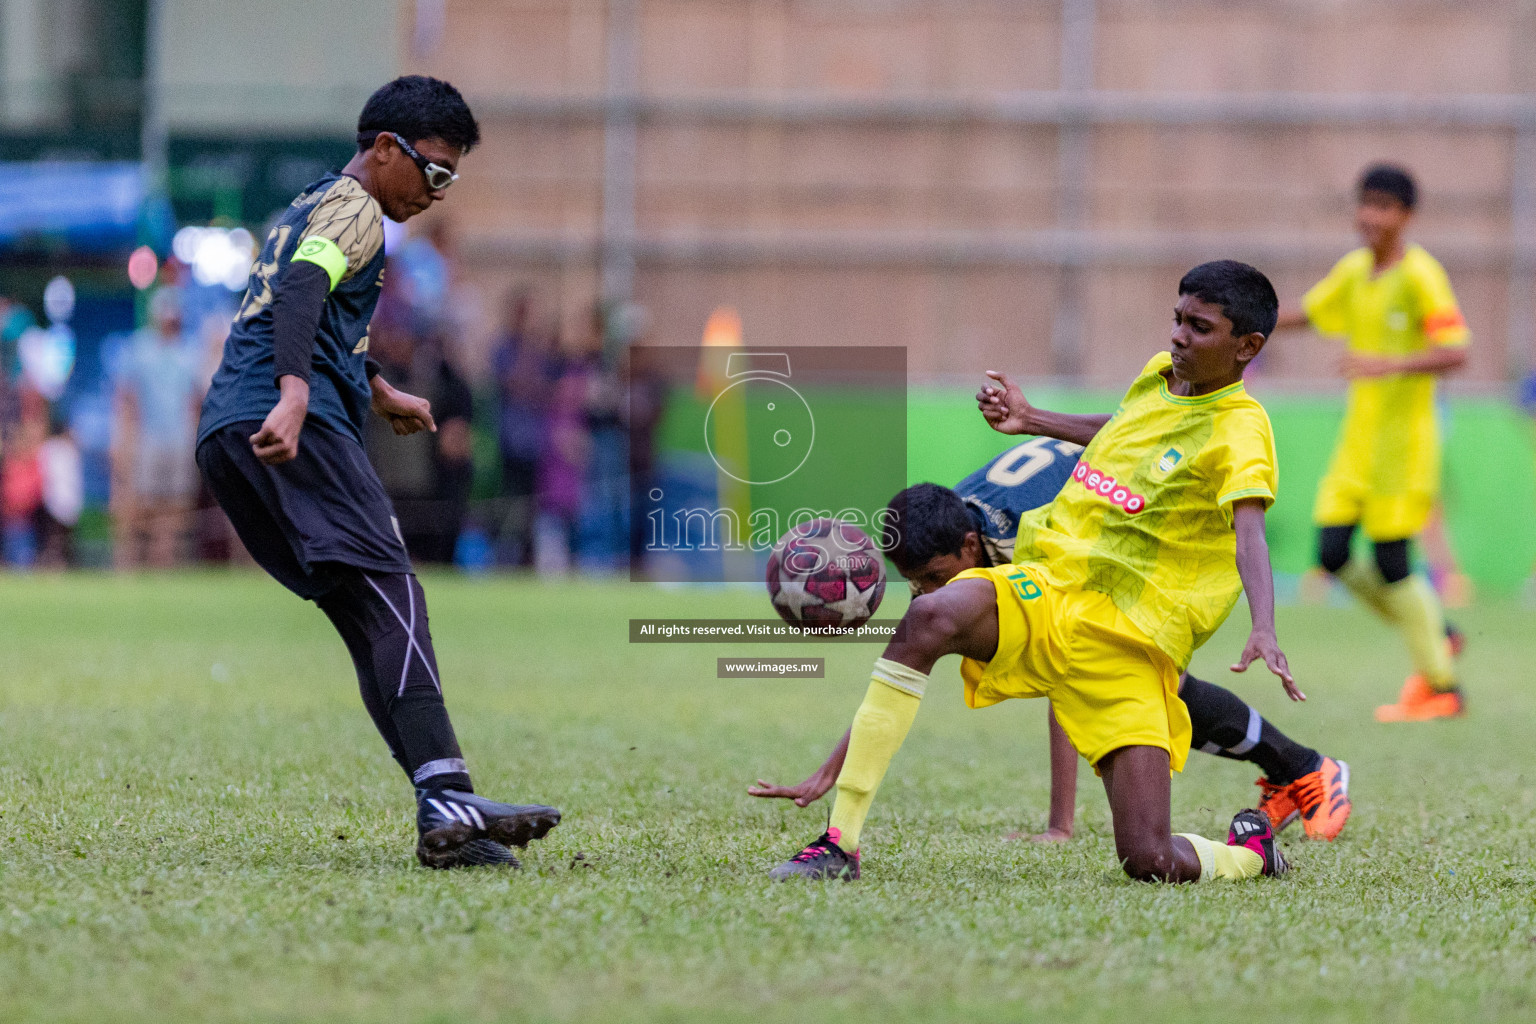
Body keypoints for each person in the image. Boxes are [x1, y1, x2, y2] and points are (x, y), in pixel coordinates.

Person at [767, 261, 1296, 884]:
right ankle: (838, 843)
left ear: (1246, 346)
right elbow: (1124, 432)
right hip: (1053, 587)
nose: (1178, 336)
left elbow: (1250, 530)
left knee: (1149, 860)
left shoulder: (1243, 429)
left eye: (1199, 327)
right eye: (1177, 319)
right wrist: (1033, 418)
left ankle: (1252, 854)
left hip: (1131, 642)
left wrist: (1264, 624)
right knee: (931, 613)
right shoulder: (1160, 377)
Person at [195, 75, 560, 869]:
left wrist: (377, 387)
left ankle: (445, 815)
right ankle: (449, 793)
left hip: (229, 430)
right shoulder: (357, 207)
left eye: (453, 177)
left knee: (369, 614)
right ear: (385, 149)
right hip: (289, 422)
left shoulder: (317, 204)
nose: (439, 191)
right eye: (434, 170)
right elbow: (300, 291)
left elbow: (309, 314)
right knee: (395, 594)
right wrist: (296, 392)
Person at [751, 440, 1351, 844]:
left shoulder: (1028, 543)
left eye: (932, 579)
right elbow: (905, 664)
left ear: (967, 546)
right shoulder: (951, 537)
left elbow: (1064, 673)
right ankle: (1300, 769)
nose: (926, 593)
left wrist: (1058, 827)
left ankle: (1309, 768)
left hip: (1169, 529)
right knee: (1135, 683)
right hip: (1114, 517)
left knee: (1134, 679)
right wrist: (832, 770)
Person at [1273, 165, 1469, 722]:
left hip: (1404, 450)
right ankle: (1437, 630)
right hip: (1358, 446)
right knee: (1330, 556)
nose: (1370, 216)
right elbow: (1309, 315)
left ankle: (1442, 686)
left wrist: (1389, 364)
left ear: (1406, 216)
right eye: (1365, 204)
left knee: (1391, 562)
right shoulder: (1356, 270)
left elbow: (1455, 351)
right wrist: (1244, 322)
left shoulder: (1421, 276)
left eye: (1384, 206)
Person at [112, 287, 201, 568]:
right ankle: (128, 562)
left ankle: (164, 560)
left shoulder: (189, 352)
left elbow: (194, 401)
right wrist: (124, 440)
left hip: (179, 437)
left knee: (175, 502)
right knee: (139, 499)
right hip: (147, 437)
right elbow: (127, 399)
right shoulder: (139, 348)